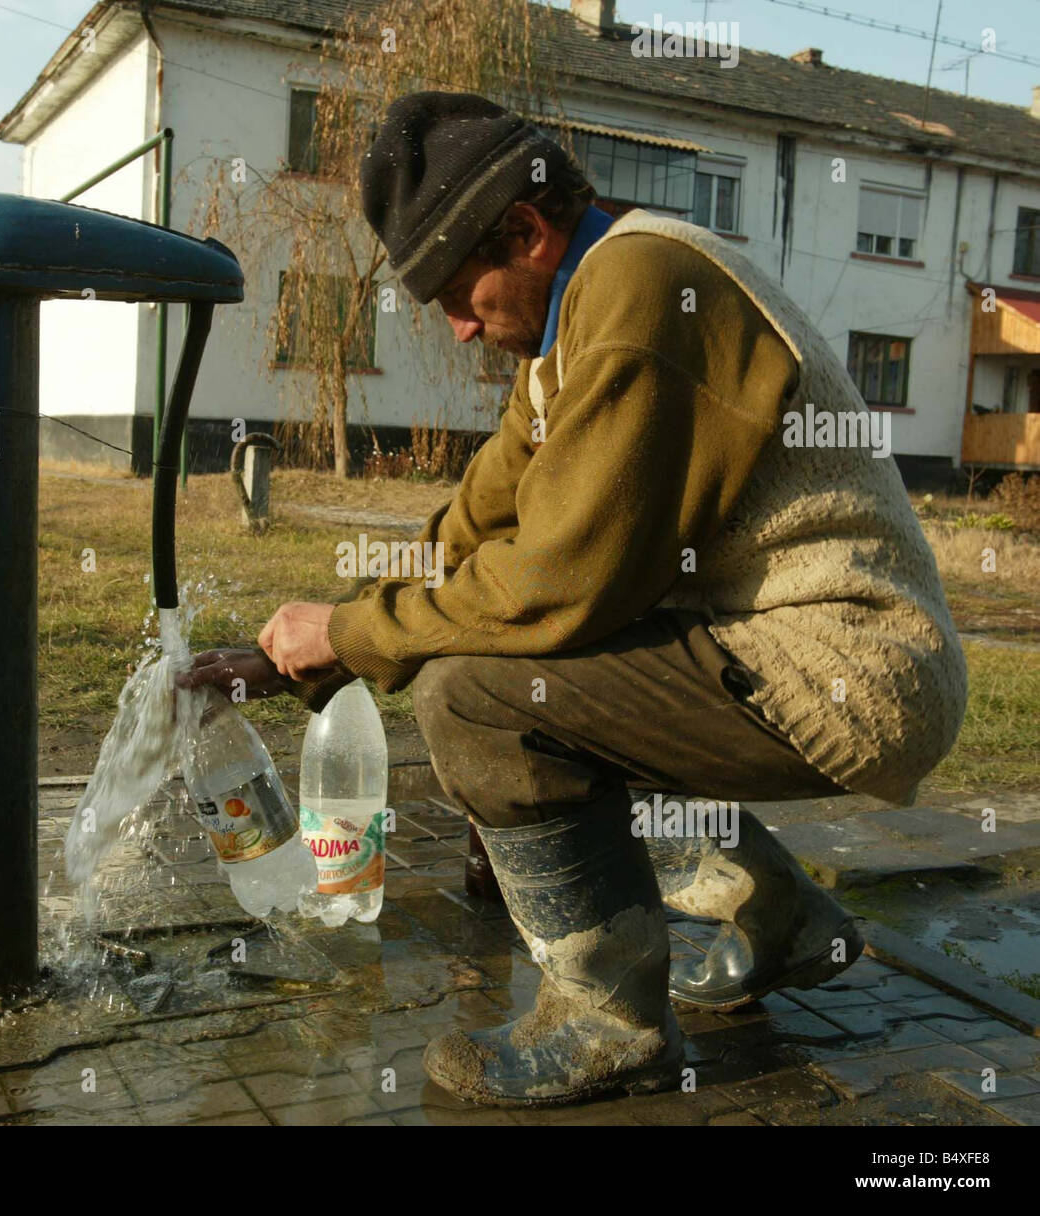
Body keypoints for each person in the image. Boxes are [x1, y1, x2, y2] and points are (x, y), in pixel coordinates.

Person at [178, 91, 968, 1108]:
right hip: (781, 650)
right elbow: (468, 535)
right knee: (559, 682)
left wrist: (359, 636)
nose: (459, 328)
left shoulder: (642, 287)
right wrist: (316, 645)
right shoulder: (573, 329)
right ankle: (779, 918)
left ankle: (608, 1021)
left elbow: (557, 581)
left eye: (460, 295)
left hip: (852, 666)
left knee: (480, 695)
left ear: (525, 229)